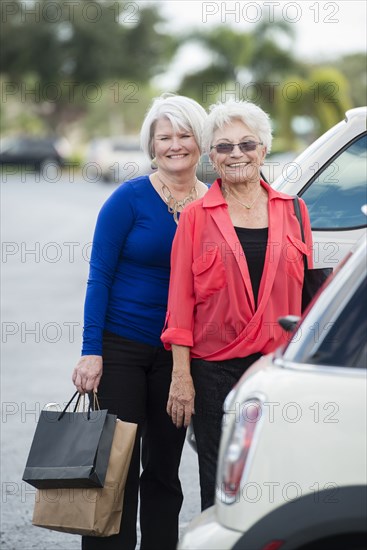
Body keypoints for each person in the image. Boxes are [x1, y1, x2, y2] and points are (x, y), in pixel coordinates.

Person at [161, 99, 313, 511]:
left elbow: (307, 302)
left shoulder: (295, 211)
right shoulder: (195, 217)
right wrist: (182, 377)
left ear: (264, 149)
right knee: (217, 478)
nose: (236, 154)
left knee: (278, 472)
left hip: (275, 369)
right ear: (211, 156)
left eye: (247, 144)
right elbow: (180, 303)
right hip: (212, 371)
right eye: (224, 147)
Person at [72, 94, 208, 550]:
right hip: (122, 348)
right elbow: (99, 276)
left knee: (165, 470)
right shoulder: (127, 199)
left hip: (179, 356)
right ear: (151, 145)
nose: (175, 145)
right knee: (117, 469)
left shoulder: (212, 206)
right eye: (164, 136)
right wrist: (92, 351)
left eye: (184, 135)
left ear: (200, 141)